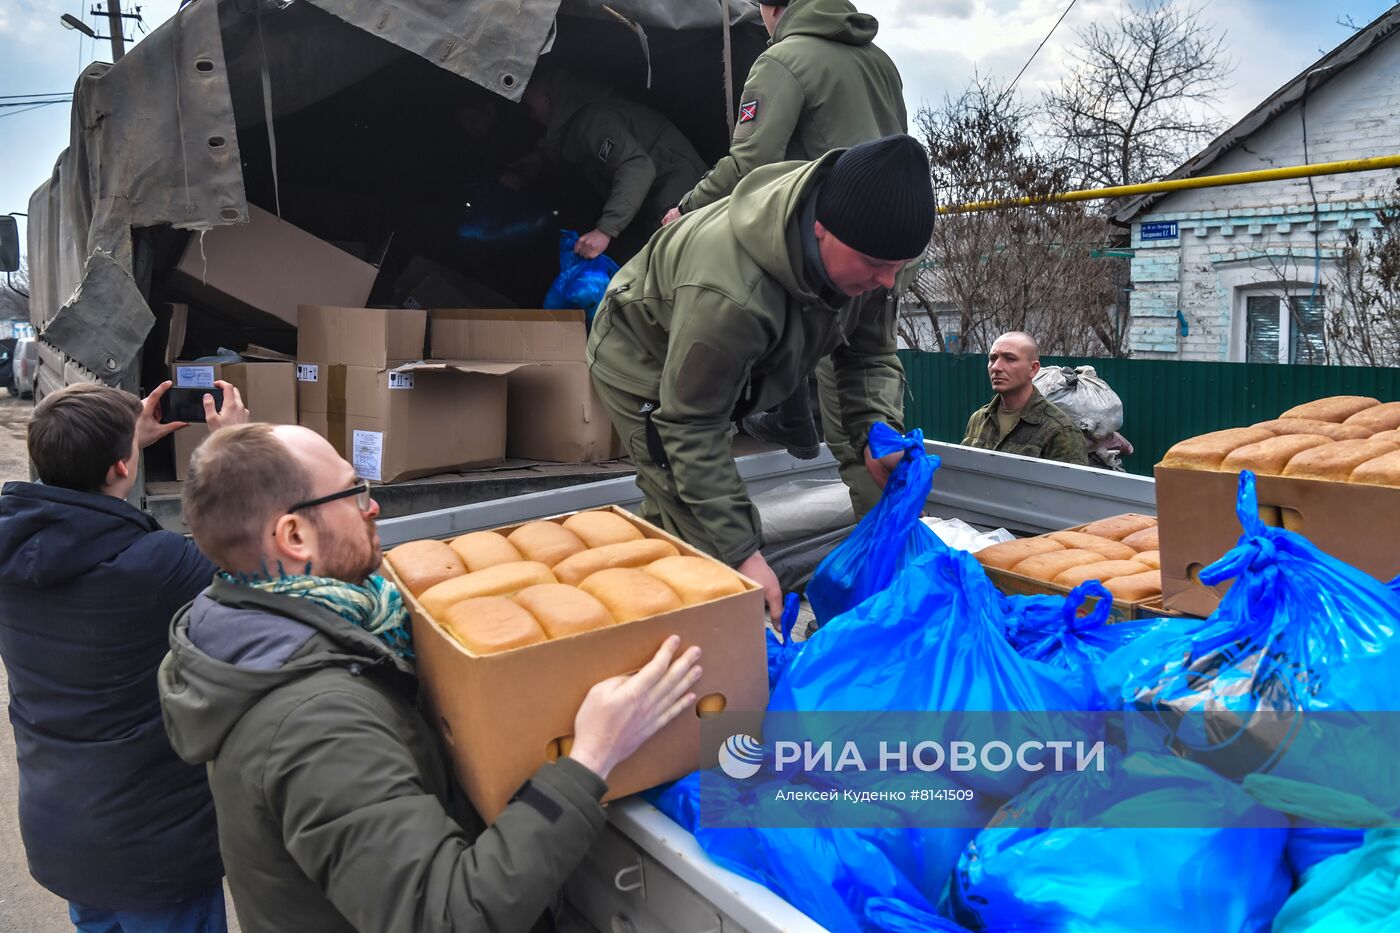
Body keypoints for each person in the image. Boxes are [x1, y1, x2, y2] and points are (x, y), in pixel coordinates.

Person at [158, 423, 703, 933]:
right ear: (295, 536)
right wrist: (590, 760)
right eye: (352, 492)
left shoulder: (283, 628)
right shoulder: (317, 725)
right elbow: (443, 914)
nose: (371, 506)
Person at [587, 134, 935, 620]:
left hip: (740, 352)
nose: (887, 282)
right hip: (642, 351)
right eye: (877, 266)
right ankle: (673, 637)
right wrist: (741, 554)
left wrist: (874, 432)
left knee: (704, 521)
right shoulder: (729, 293)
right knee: (685, 511)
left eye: (899, 268)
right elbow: (689, 426)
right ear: (820, 230)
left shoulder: (871, 251)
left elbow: (867, 356)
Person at [0, 379, 246, 932]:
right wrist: (233, 446)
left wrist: (117, 445)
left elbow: (87, 519)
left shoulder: (10, 551)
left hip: (62, 829)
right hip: (152, 848)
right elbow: (250, 565)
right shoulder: (156, 567)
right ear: (121, 468)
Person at [662, 0, 908, 516]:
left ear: (772, 7)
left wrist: (685, 210)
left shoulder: (785, 59)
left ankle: (886, 567)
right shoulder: (881, 61)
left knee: (849, 428)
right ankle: (802, 428)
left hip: (830, 254)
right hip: (887, 255)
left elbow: (751, 161)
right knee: (872, 395)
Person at [512, 66, 708, 262]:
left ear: (548, 99)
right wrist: (539, 161)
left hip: (678, 194)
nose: (532, 115)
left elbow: (637, 167)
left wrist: (605, 231)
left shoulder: (594, 120)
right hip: (663, 200)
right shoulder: (578, 124)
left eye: (532, 106)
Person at [961, 332, 1089, 465]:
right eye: (993, 358)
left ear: (1033, 369)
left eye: (1010, 358)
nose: (996, 367)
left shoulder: (1061, 431)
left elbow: (1069, 484)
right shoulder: (978, 419)